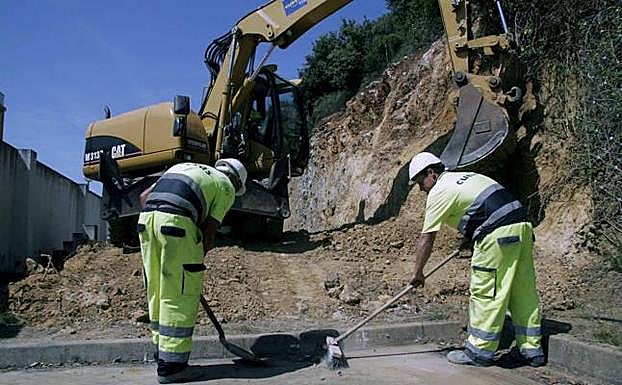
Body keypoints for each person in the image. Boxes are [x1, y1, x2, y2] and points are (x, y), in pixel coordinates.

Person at [408, 152, 545, 367]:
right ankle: (531, 350)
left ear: (431, 174)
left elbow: (427, 238)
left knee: (486, 292)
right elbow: (486, 206)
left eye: (419, 182)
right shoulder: (467, 176)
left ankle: (479, 352)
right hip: (523, 227)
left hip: (497, 235)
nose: (421, 189)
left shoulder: (439, 191)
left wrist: (418, 273)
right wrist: (474, 233)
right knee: (523, 290)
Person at [137, 159, 247, 384]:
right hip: (177, 223)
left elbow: (143, 197)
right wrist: (193, 265)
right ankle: (173, 368)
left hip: (147, 221)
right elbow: (210, 231)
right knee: (180, 293)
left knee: (157, 289)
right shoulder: (226, 187)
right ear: (236, 181)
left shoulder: (185, 167)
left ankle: (162, 354)